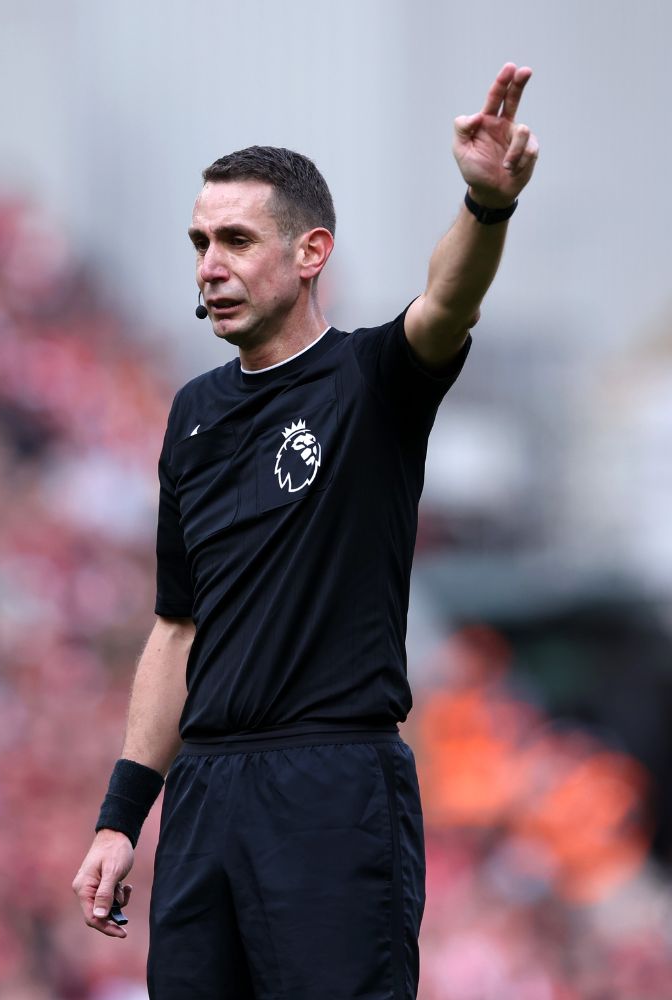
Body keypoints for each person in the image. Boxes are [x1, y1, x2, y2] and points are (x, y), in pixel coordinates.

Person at [72, 62, 541, 998]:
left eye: (238, 240)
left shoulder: (369, 383)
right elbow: (177, 628)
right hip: (205, 795)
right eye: (200, 241)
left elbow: (448, 303)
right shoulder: (192, 416)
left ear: (310, 252)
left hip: (332, 788)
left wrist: (485, 208)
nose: (211, 264)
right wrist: (123, 817)